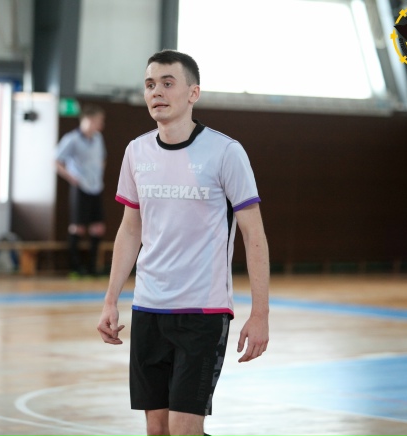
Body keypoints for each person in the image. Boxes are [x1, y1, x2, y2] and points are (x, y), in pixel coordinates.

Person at [97, 50, 270, 436]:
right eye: (149, 84)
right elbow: (130, 230)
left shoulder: (225, 152)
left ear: (193, 93)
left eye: (167, 83)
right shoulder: (136, 151)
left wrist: (260, 314)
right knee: (157, 431)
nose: (156, 92)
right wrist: (111, 300)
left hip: (202, 312)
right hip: (148, 310)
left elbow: (253, 234)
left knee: (183, 430)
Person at [56, 104, 107, 276]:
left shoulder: (98, 138)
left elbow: (102, 158)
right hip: (81, 187)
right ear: (89, 119)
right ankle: (75, 268)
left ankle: (93, 267)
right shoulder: (72, 139)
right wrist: (72, 177)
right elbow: (56, 160)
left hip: (96, 186)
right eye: (99, 120)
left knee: (98, 227)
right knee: (78, 227)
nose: (101, 124)